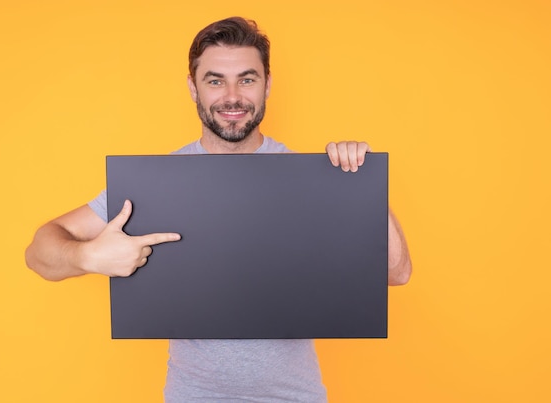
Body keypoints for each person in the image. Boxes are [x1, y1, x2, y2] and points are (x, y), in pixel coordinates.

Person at [25, 16, 412, 402]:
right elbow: (39, 252)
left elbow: (397, 272)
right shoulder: (157, 184)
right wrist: (87, 255)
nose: (232, 96)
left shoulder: (311, 176)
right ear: (193, 88)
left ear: (268, 85)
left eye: (247, 79)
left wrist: (363, 184)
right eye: (215, 80)